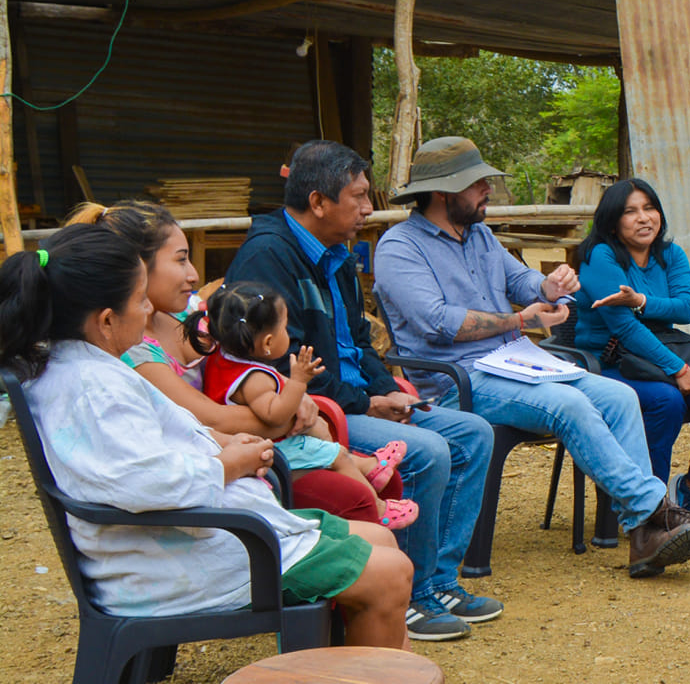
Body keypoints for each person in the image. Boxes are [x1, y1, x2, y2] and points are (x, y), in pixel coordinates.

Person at [3, 223, 413, 648]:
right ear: (106, 321)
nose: (149, 309)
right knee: (391, 574)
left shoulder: (83, 369)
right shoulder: (95, 390)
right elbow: (146, 481)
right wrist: (231, 463)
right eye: (140, 299)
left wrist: (223, 443)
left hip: (191, 540)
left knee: (381, 538)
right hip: (179, 562)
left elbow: (154, 446)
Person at [374, 136, 690, 578]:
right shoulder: (399, 246)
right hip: (457, 380)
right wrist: (518, 320)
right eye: (476, 183)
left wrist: (550, 286)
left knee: (618, 397)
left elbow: (522, 281)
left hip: (513, 363)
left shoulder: (479, 236)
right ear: (442, 192)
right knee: (569, 403)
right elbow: (437, 322)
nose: (487, 189)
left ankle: (644, 537)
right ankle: (658, 515)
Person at [227, 140, 500, 639]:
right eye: (358, 197)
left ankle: (439, 580)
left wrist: (389, 391)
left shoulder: (337, 255)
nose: (369, 209)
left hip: (358, 401)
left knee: (474, 433)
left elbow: (359, 341)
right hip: (316, 414)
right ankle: (411, 595)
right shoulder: (269, 257)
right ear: (318, 202)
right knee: (427, 451)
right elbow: (286, 361)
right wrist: (366, 402)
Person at [72, 200, 384, 525]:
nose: (193, 274)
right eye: (180, 260)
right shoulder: (136, 351)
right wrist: (287, 411)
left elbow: (245, 359)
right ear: (137, 268)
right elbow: (212, 418)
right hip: (228, 461)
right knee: (356, 497)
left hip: (257, 445)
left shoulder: (187, 312)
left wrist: (292, 393)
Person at [570, 177, 690, 511]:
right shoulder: (599, 256)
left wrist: (641, 300)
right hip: (608, 364)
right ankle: (650, 502)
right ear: (613, 221)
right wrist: (679, 369)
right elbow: (625, 327)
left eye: (649, 208)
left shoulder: (671, 254)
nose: (644, 218)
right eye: (630, 211)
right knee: (665, 400)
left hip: (654, 360)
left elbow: (685, 309)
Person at [198, 283, 417, 529]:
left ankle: (370, 469)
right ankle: (379, 509)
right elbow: (275, 415)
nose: (287, 333)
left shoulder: (223, 358)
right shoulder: (255, 379)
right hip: (273, 449)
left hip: (266, 443)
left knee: (335, 451)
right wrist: (298, 383)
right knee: (337, 456)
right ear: (268, 342)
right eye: (284, 328)